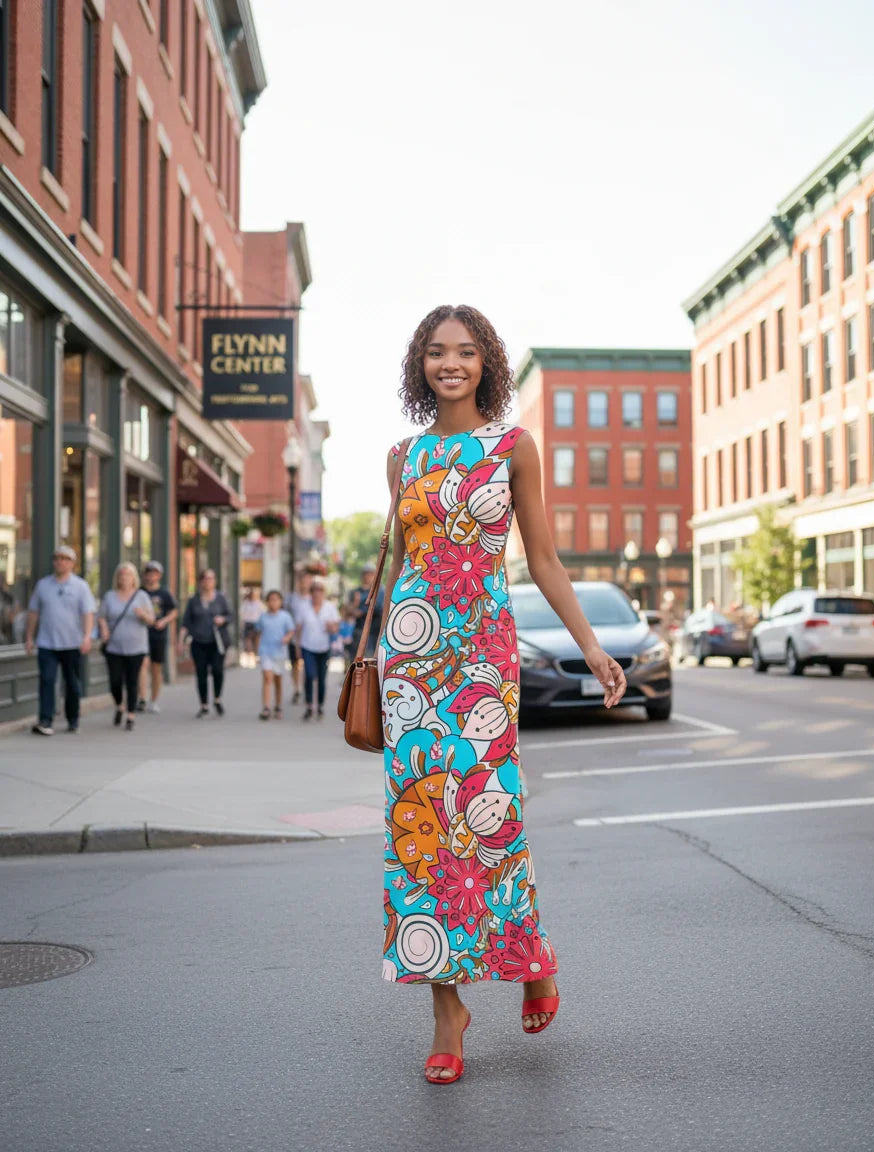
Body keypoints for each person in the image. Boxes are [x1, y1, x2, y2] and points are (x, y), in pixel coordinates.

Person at [379, 306, 627, 1085]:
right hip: (411, 664)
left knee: (490, 817)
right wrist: (369, 667)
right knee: (420, 827)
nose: (449, 364)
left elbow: (545, 561)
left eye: (464, 352)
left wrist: (592, 646)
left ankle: (529, 957)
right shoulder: (401, 457)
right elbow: (397, 569)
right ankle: (445, 1009)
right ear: (420, 365)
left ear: (487, 361)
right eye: (435, 353)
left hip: (484, 656)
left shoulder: (514, 448)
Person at [24, 545, 96, 735]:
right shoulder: (43, 585)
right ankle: (45, 720)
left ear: (72, 563)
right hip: (47, 642)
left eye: (65, 559)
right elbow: (33, 612)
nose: (60, 562)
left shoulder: (81, 586)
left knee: (72, 683)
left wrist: (87, 636)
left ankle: (73, 718)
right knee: (47, 680)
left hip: (72, 643)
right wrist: (29, 637)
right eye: (57, 558)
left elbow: (88, 613)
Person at [98, 563, 155, 731]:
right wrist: (104, 629)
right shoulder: (110, 596)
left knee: (132, 681)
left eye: (128, 575)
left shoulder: (141, 596)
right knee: (115, 681)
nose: (124, 578)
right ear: (117, 578)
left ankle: (130, 714)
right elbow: (101, 617)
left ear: (134, 578)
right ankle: (119, 705)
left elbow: (152, 620)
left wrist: (143, 615)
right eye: (121, 575)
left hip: (137, 646)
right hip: (114, 646)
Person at [178, 569, 232, 718]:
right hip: (199, 642)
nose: (208, 581)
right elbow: (186, 622)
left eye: (211, 578)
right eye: (205, 579)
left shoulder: (221, 598)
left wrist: (222, 620)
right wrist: (180, 641)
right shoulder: (194, 600)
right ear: (201, 582)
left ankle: (217, 699)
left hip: (217, 642)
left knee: (217, 670)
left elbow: (230, 616)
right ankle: (204, 704)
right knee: (201, 673)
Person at [292, 578, 339, 720]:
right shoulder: (303, 607)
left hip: (324, 647)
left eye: (320, 591)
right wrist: (297, 647)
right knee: (310, 675)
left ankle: (320, 705)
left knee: (322, 678)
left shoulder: (330, 607)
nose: (317, 594)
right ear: (311, 593)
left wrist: (332, 628)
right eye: (314, 591)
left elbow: (336, 627)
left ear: (323, 593)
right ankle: (308, 705)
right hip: (307, 646)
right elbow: (298, 629)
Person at [137, 561, 178, 713]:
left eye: (154, 573)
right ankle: (142, 698)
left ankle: (153, 700)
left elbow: (174, 611)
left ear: (159, 576)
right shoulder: (139, 592)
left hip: (158, 635)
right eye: (148, 573)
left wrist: (164, 621)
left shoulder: (164, 593)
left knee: (156, 668)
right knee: (142, 664)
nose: (151, 576)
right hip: (140, 634)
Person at [255, 590, 294, 720]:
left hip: (280, 653)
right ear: (267, 602)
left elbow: (291, 631)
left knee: (277, 680)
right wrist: (256, 651)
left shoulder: (285, 616)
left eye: (276, 600)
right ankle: (266, 707)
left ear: (280, 602)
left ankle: (278, 705)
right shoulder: (263, 617)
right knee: (267, 677)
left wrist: (287, 638)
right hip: (266, 651)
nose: (273, 602)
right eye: (270, 600)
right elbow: (258, 634)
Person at [285, 569, 312, 704]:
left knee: (307, 665)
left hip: (309, 638)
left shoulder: (313, 599)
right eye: (303, 581)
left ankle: (306, 688)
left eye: (308, 581)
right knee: (295, 664)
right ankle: (297, 689)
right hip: (294, 637)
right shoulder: (291, 599)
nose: (305, 584)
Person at [349, 563, 385, 659]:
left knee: (371, 660)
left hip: (375, 631)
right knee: (357, 660)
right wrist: (355, 605)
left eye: (370, 574)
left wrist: (361, 611)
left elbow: (379, 607)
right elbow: (348, 611)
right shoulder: (356, 591)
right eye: (365, 574)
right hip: (359, 630)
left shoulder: (381, 590)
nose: (367, 577)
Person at [240, 587, 264, 667]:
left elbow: (262, 614)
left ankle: (256, 656)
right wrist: (243, 623)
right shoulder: (246, 603)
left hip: (256, 623)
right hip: (248, 623)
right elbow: (242, 614)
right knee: (248, 640)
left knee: (257, 640)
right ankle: (249, 657)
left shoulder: (259, 603)